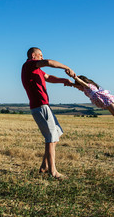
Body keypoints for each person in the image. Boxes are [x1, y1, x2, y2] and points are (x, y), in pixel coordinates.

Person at [21, 47, 75, 180]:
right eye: (40, 55)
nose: (42, 58)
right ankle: (53, 172)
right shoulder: (29, 64)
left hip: (45, 106)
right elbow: (49, 62)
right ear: (34, 56)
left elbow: (48, 77)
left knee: (57, 133)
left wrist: (64, 80)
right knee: (51, 138)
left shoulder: (36, 70)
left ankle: (45, 166)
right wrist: (66, 67)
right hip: (40, 106)